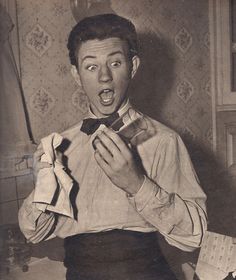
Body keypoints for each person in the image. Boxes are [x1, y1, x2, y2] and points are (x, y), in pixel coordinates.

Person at [18, 13, 207, 280]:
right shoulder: (61, 146)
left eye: (115, 63)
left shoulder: (164, 141)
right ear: (76, 74)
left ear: (133, 66)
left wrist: (137, 184)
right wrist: (44, 188)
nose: (105, 77)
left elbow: (194, 236)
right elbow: (33, 233)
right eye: (91, 66)